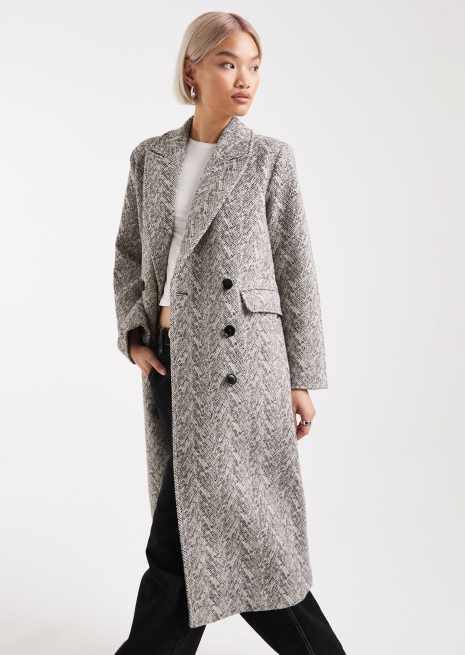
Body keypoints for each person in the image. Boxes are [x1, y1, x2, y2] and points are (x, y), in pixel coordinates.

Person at [112, 11, 348, 654]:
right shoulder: (151, 158)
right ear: (192, 71)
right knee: (202, 530)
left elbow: (295, 269)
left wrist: (301, 378)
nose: (244, 79)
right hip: (170, 359)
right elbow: (130, 253)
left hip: (243, 365)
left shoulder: (268, 159)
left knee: (194, 534)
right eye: (227, 63)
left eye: (253, 66)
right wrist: (134, 334)